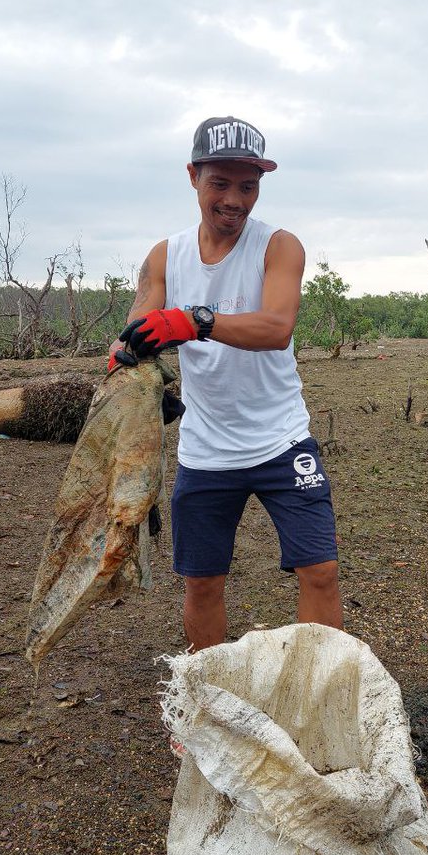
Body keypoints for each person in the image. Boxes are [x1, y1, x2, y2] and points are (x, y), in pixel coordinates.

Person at [109, 115, 343, 651]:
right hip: (206, 451)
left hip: (281, 439)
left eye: (249, 185)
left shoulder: (278, 247)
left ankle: (317, 694)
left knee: (321, 569)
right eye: (221, 183)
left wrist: (195, 320)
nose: (235, 199)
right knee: (203, 580)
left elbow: (276, 328)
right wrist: (136, 373)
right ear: (193, 176)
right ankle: (207, 696)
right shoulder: (165, 256)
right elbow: (132, 336)